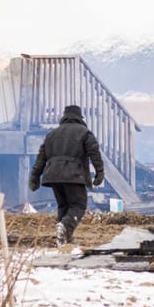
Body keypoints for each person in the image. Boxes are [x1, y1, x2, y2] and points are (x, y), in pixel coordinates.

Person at [28, 104, 104, 246]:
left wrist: (34, 177)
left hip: (53, 176)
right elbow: (94, 153)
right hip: (74, 175)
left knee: (63, 206)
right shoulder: (84, 133)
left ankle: (63, 238)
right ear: (79, 118)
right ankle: (64, 227)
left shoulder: (51, 134)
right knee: (78, 205)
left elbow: (41, 158)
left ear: (64, 117)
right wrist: (99, 173)